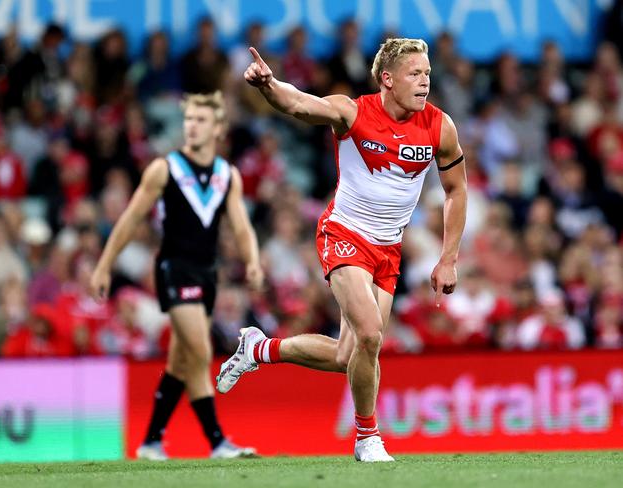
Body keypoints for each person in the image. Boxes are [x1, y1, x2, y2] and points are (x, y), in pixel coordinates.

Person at [217, 38, 467, 462]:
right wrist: (268, 85)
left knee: (348, 354)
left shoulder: (440, 127)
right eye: (415, 73)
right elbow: (298, 104)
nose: (425, 81)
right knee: (370, 334)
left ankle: (258, 349)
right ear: (387, 79)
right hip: (344, 234)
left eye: (427, 73)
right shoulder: (352, 112)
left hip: (388, 250)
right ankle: (368, 438)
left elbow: (456, 190)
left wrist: (448, 257)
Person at [89, 91, 263, 460]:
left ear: (218, 128)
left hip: (206, 272)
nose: (192, 126)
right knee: (200, 349)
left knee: (181, 360)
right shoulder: (164, 169)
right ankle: (217, 442)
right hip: (173, 268)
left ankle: (151, 441)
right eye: (188, 119)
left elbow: (241, 224)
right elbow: (131, 218)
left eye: (200, 120)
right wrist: (104, 265)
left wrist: (252, 260)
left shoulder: (226, 175)